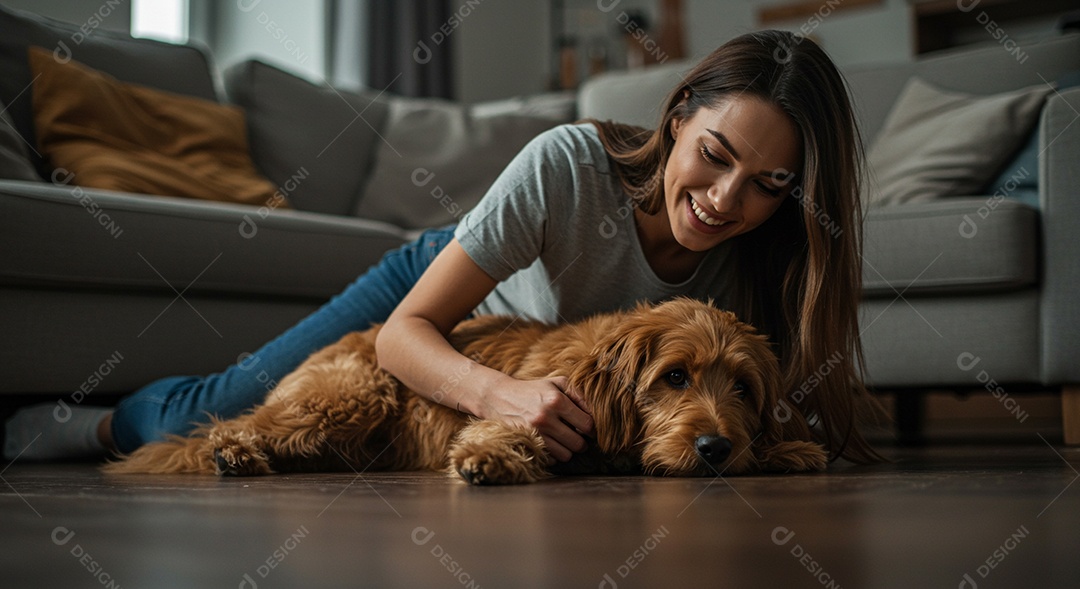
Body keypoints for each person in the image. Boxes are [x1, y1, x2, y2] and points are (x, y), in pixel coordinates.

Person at [3, 29, 880, 466]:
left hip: (522, 355)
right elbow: (401, 335)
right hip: (447, 295)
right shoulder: (569, 165)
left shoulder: (765, 251)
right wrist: (505, 397)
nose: (726, 200)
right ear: (679, 116)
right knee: (231, 399)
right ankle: (85, 422)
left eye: (770, 184)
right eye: (716, 157)